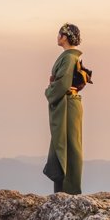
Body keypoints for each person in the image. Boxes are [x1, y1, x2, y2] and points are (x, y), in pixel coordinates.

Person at [43, 23, 84, 194]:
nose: (57, 37)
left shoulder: (68, 58)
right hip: (68, 103)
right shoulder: (69, 57)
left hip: (67, 105)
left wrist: (48, 91)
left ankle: (68, 190)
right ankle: (63, 190)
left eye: (59, 34)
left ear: (65, 37)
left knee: (68, 145)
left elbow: (63, 83)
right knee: (63, 144)